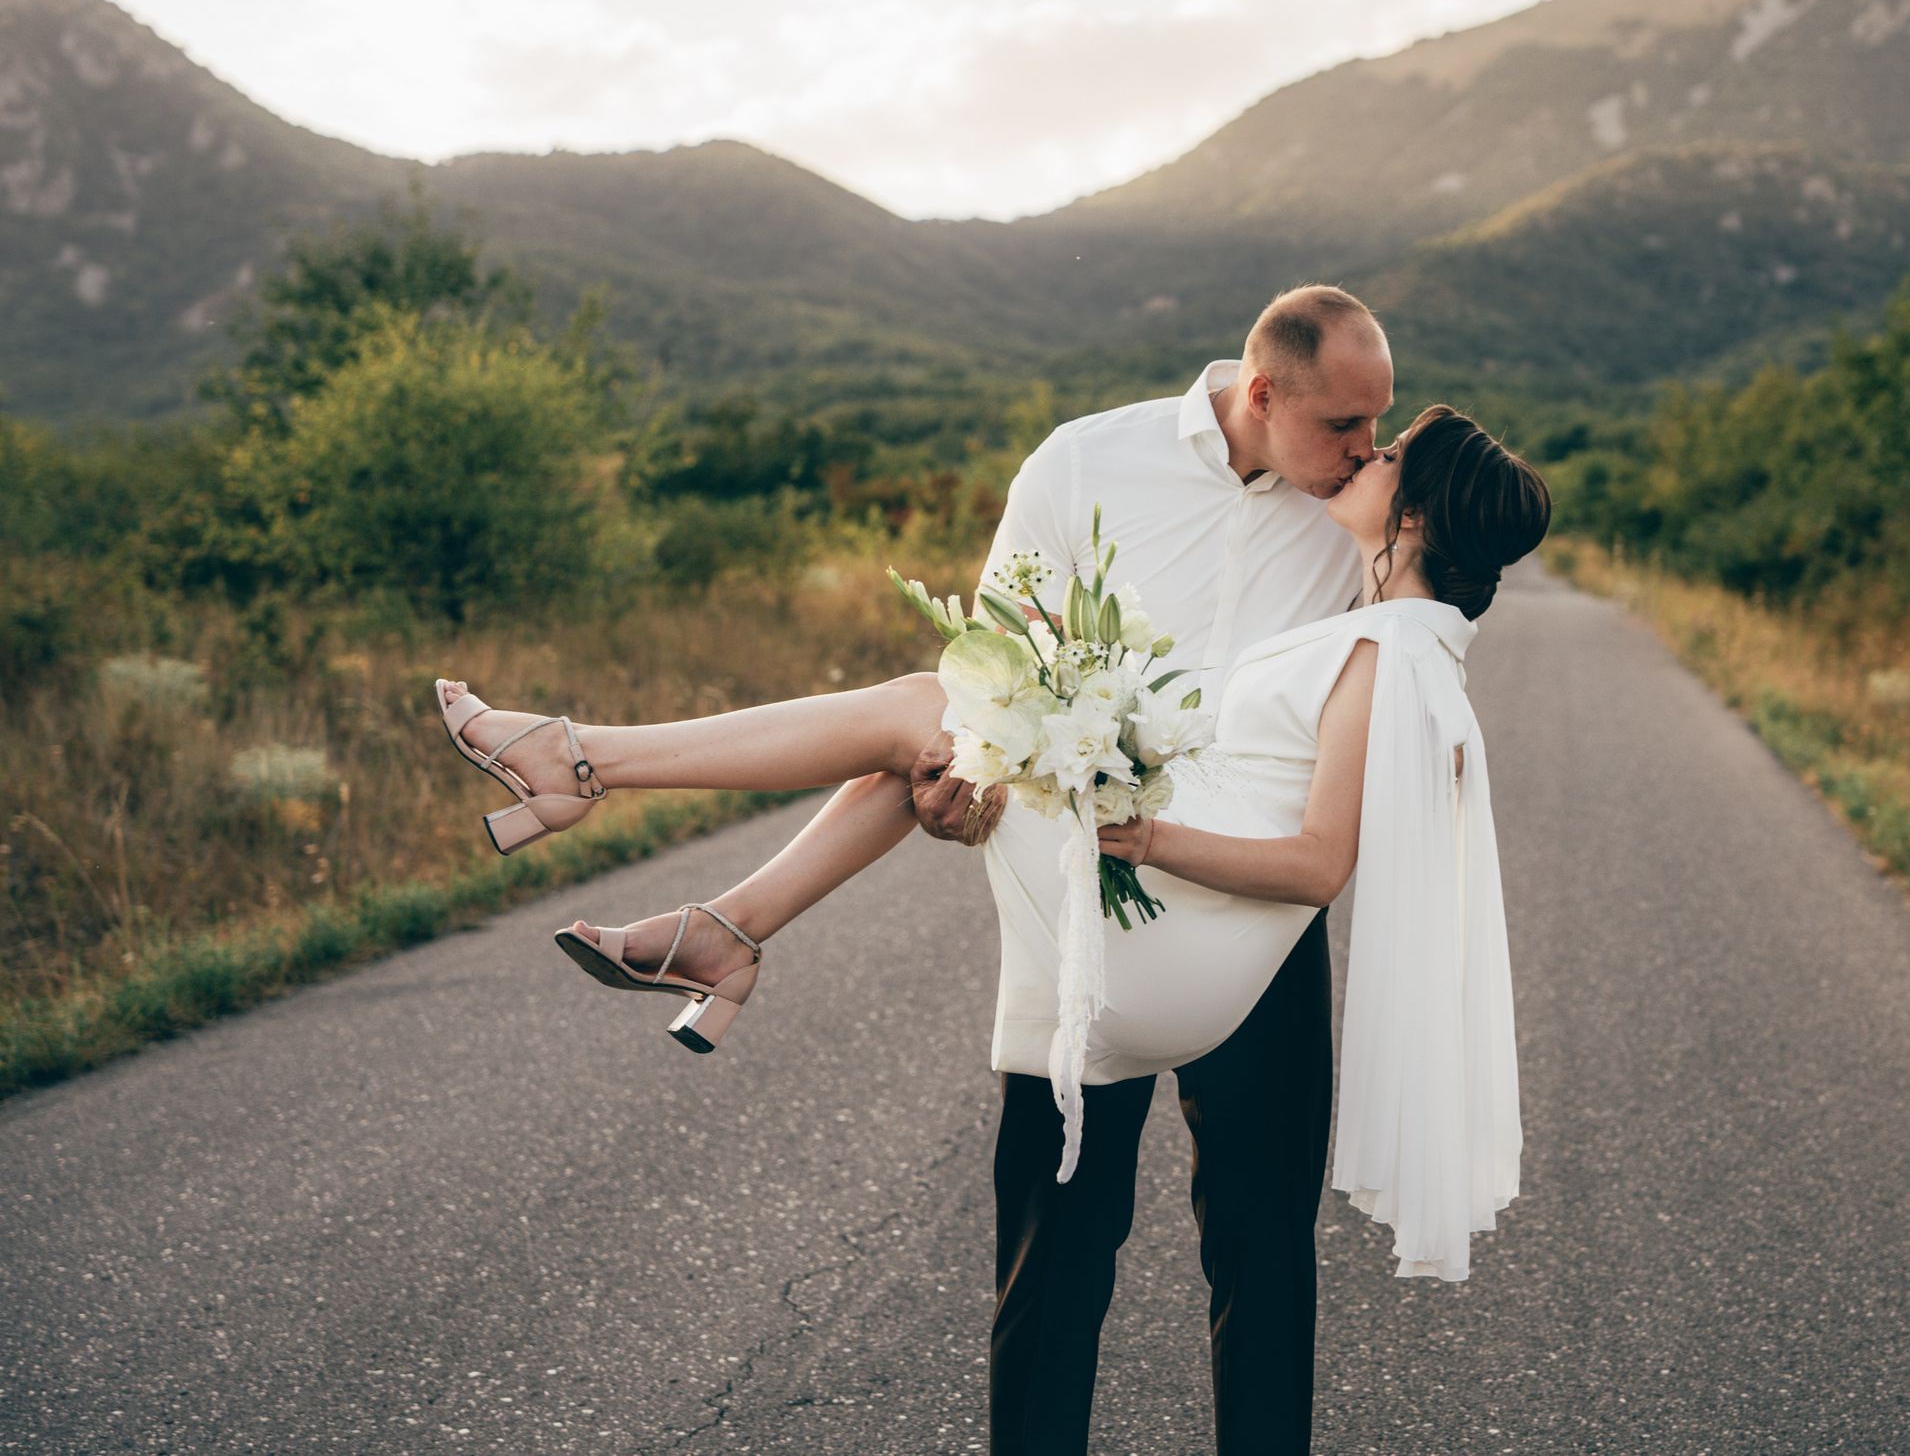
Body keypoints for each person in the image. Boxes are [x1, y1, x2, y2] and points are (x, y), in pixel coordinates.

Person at [433, 290, 1547, 1453]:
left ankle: (611, 797)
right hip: (1085, 899)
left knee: (1265, 1253)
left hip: (1249, 925)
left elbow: (1391, 689)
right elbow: (995, 686)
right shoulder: (1081, 467)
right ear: (1262, 394)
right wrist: (954, 802)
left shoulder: (1355, 543)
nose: (1364, 452)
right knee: (1052, 1251)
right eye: (1347, 429)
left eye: (1381, 438)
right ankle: (705, 904)